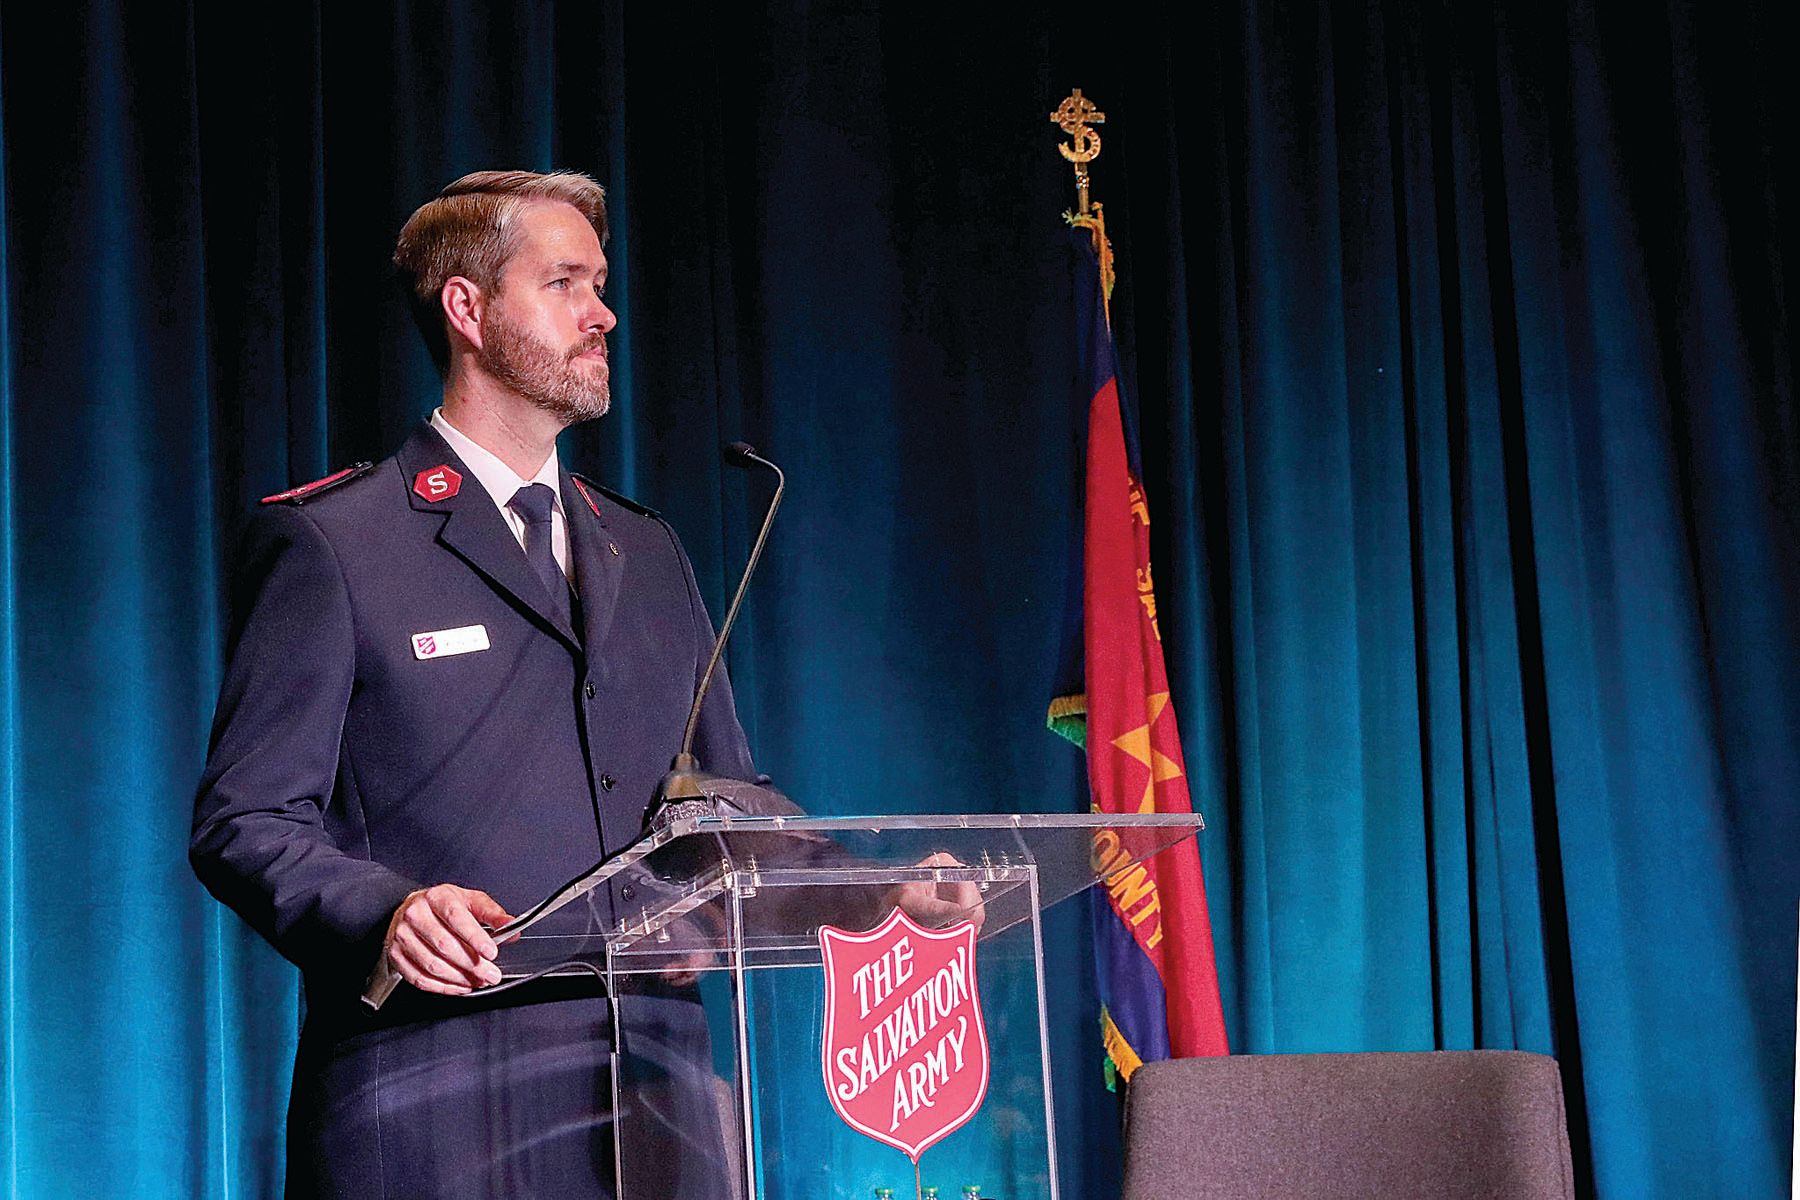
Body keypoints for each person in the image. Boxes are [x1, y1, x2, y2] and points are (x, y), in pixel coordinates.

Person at [190, 169, 759, 1198]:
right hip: (437, 1115)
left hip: (659, 1121)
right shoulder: (336, 542)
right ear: (469, 309)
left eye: (600, 283)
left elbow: (732, 813)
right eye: (566, 284)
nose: (605, 313)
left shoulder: (647, 549)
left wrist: (880, 891)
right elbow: (246, 821)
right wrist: (389, 910)